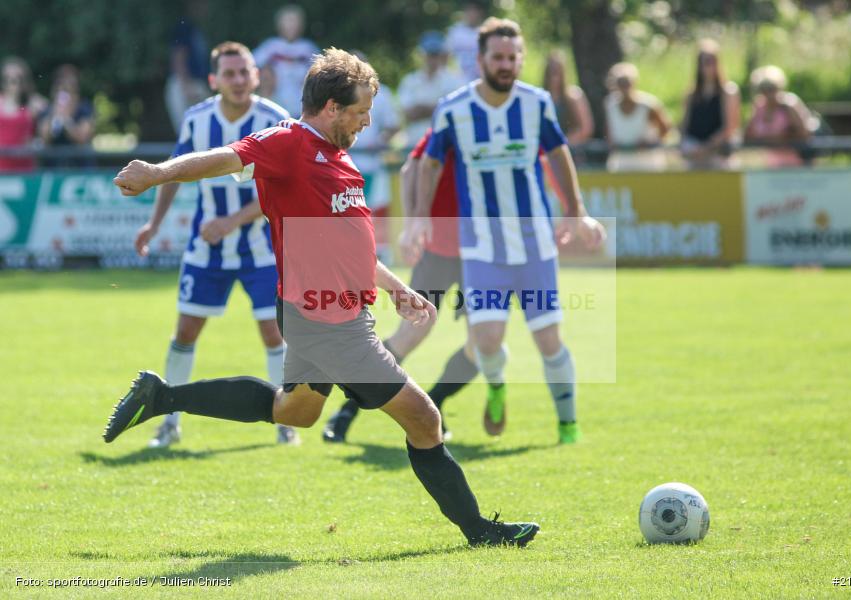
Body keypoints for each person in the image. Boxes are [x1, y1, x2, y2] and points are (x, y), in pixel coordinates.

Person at [104, 48, 539, 547]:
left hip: (327, 313)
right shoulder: (288, 141)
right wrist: (158, 173)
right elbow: (226, 157)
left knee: (296, 413)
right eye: (359, 112)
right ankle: (481, 532)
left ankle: (160, 397)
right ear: (331, 107)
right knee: (425, 418)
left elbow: (351, 245)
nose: (367, 121)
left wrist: (396, 288)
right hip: (328, 321)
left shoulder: (337, 155)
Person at [414, 18, 606, 444]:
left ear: (520, 59)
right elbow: (429, 164)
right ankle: (497, 386)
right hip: (481, 248)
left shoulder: (537, 103)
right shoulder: (454, 107)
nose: (506, 64)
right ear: (481, 59)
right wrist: (417, 217)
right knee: (486, 341)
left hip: (535, 245)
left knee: (549, 340)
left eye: (512, 57)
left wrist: (577, 212)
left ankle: (568, 425)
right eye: (497, 57)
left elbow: (558, 156)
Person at [133, 42, 296, 448]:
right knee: (186, 330)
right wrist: (153, 225)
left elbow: (288, 188)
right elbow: (170, 173)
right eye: (230, 73)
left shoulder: (275, 120)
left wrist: (233, 221)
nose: (239, 80)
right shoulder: (197, 119)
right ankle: (169, 421)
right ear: (214, 80)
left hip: (262, 248)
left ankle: (286, 420)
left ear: (257, 75)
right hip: (207, 250)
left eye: (245, 72)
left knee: (274, 334)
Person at [322, 127, 479, 443]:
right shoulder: (454, 122)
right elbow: (410, 168)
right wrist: (412, 224)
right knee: (410, 334)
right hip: (439, 251)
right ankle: (346, 413)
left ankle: (434, 406)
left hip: (482, 256)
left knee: (483, 346)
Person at [348, 51, 400, 261]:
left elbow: (393, 126)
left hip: (372, 163)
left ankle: (378, 255)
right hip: (346, 162)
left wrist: (380, 141)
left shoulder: (383, 94)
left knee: (375, 209)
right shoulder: (338, 94)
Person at [679, 39, 741, 169]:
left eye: (711, 61)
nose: (708, 66)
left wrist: (706, 148)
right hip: (694, 154)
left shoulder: (728, 92)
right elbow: (684, 125)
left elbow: (730, 127)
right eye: (704, 62)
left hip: (719, 155)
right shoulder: (691, 93)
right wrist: (688, 146)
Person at [397, 31, 465, 147]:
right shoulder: (409, 81)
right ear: (422, 54)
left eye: (436, 54)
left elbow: (454, 113)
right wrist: (437, 108)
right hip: (414, 145)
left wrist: (421, 109)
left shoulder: (454, 81)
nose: (432, 58)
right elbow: (408, 114)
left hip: (444, 146)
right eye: (430, 54)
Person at [253, 4, 320, 117]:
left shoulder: (308, 48)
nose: (291, 26)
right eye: (288, 21)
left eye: (295, 21)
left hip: (302, 109)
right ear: (279, 24)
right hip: (274, 106)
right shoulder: (270, 46)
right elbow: (251, 64)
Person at [603, 62, 671, 171]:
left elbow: (666, 130)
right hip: (621, 164)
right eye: (621, 83)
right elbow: (610, 132)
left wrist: (649, 144)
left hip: (648, 165)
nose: (624, 87)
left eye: (627, 83)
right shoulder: (610, 105)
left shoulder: (649, 105)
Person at [744, 65, 814, 168]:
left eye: (771, 88)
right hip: (768, 164)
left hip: (793, 164)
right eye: (763, 89)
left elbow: (804, 134)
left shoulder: (789, 104)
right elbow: (747, 135)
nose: (768, 93)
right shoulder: (759, 107)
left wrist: (784, 137)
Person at [165, 0, 210, 134]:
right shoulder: (185, 27)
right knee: (185, 132)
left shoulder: (197, 28)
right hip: (185, 83)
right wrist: (185, 84)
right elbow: (179, 55)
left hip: (196, 83)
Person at [37, 65, 95, 168]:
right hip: (52, 168)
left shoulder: (84, 109)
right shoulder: (48, 110)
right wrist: (56, 115)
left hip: (80, 167)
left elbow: (82, 139)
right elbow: (45, 138)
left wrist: (67, 120)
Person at [0, 57, 46, 173]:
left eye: (18, 78)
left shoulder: (35, 103)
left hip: (25, 166)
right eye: (9, 78)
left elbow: (45, 133)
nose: (13, 82)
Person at [542, 50, 594, 147]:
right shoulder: (540, 97)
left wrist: (563, 143)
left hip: (572, 149)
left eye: (557, 72)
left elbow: (586, 129)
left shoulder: (574, 96)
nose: (553, 76)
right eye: (550, 71)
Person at [447, 1, 487, 82]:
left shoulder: (486, 32)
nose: (472, 13)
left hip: (481, 82)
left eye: (474, 10)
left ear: (480, 12)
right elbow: (446, 58)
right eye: (469, 10)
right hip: (458, 83)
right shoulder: (455, 32)